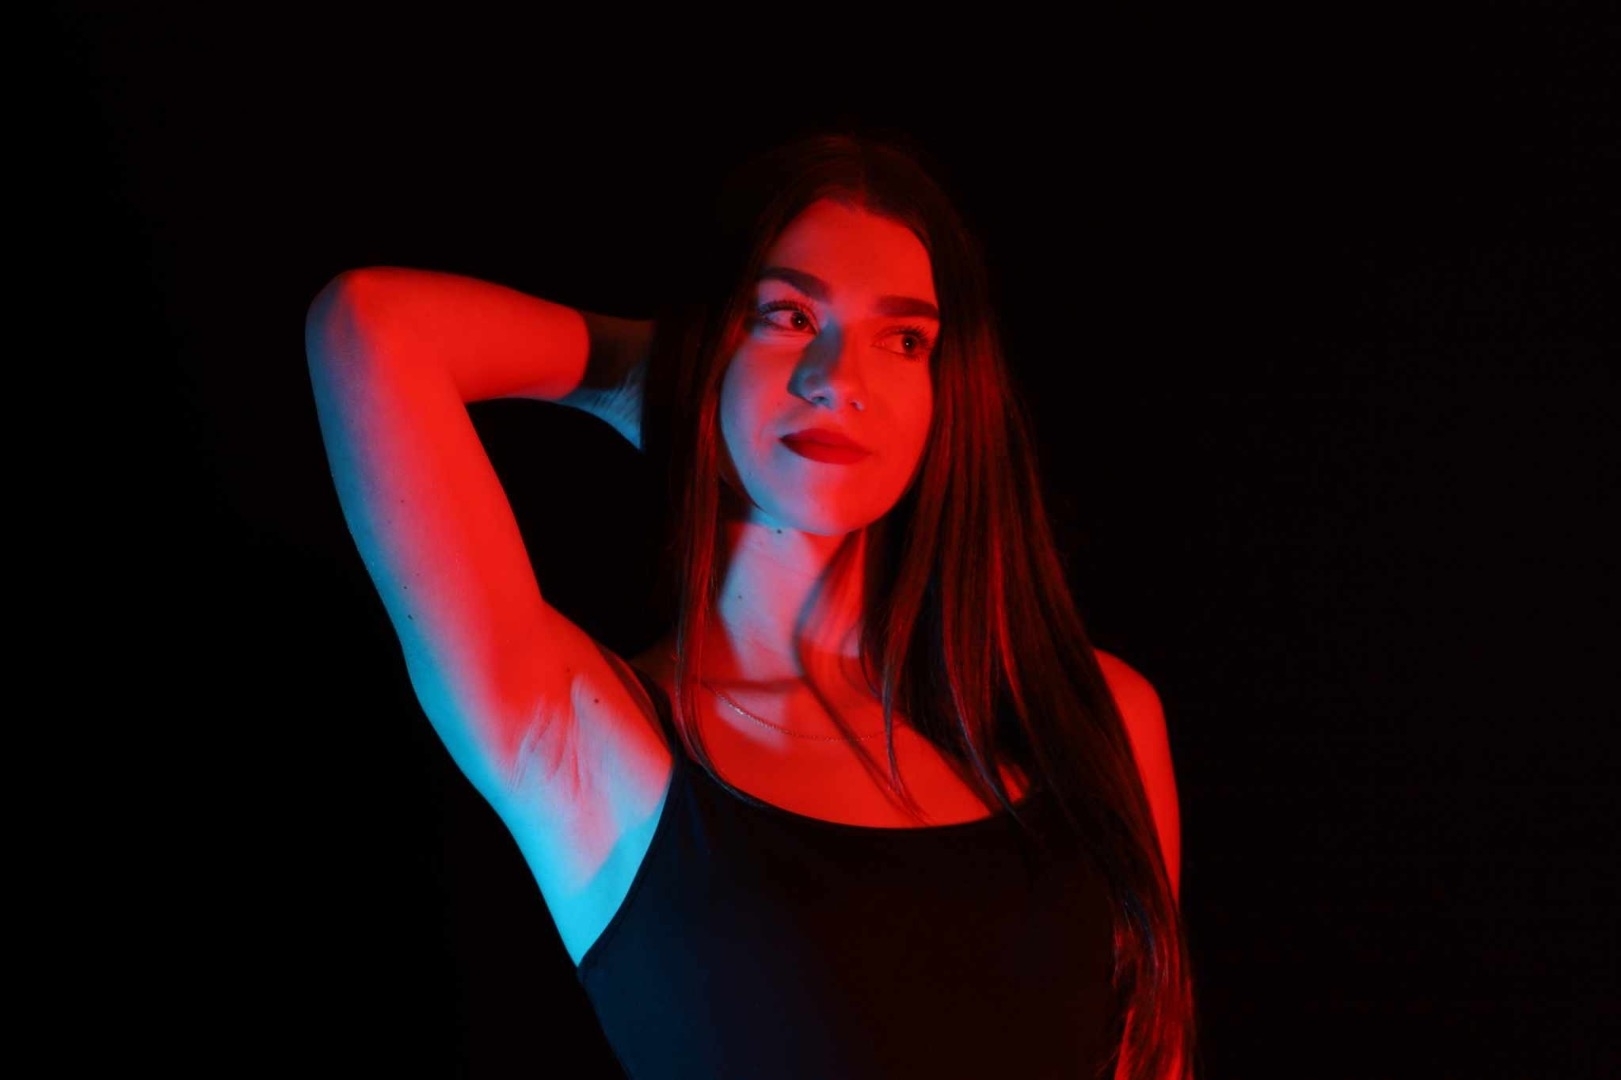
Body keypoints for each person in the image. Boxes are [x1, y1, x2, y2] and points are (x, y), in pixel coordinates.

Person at [305, 128, 1197, 1078]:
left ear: (949, 394)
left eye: (903, 340)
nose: (838, 382)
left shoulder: (1090, 716)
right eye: (788, 317)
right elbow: (372, 325)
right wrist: (671, 375)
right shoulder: (593, 743)